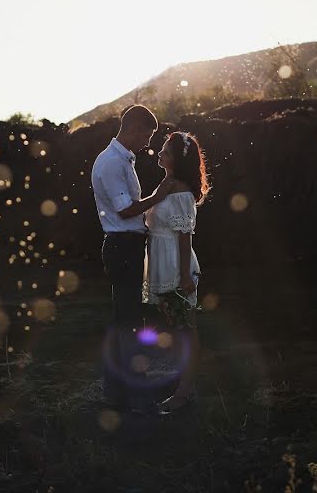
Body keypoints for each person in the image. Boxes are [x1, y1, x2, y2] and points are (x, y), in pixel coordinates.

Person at [91, 105, 173, 414]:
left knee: (121, 320)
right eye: (147, 135)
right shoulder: (112, 163)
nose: (148, 143)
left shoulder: (119, 159)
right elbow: (126, 210)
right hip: (123, 247)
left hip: (125, 246)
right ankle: (138, 398)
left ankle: (114, 392)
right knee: (130, 322)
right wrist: (159, 195)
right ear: (134, 129)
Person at [143, 131, 210, 413]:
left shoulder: (181, 191)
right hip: (161, 260)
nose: (159, 154)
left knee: (185, 328)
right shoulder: (167, 184)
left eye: (166, 152)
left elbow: (186, 237)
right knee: (176, 326)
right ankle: (183, 383)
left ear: (177, 160)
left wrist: (184, 276)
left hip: (174, 265)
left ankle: (184, 393)